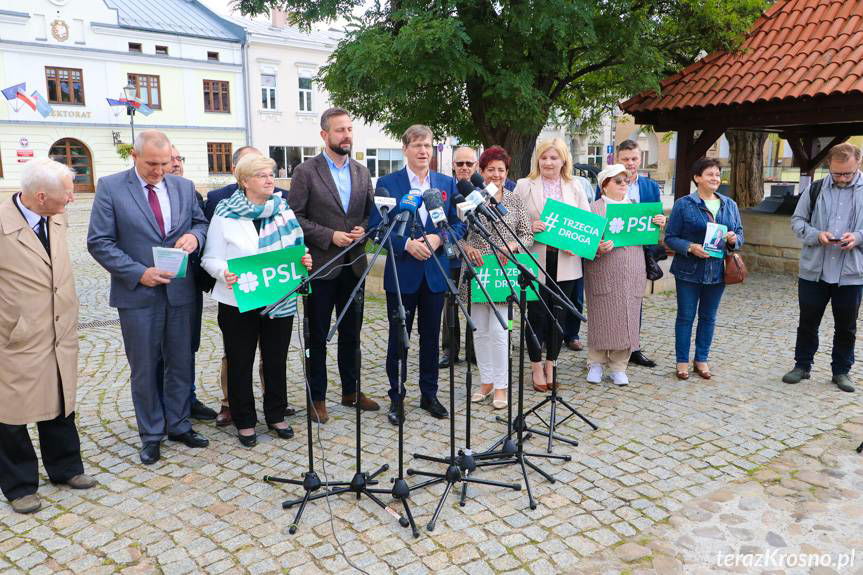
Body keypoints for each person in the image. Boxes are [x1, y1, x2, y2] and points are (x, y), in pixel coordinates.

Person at [88, 130, 210, 465]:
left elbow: (201, 224)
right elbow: (99, 242)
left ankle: (180, 424)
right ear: (135, 157)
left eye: (165, 163)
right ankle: (152, 433)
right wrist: (139, 272)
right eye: (152, 164)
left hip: (180, 292)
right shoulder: (111, 188)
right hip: (138, 293)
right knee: (144, 366)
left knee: (181, 361)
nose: (159, 171)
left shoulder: (184, 187)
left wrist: (194, 238)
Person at [0, 159, 96, 514]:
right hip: (15, 334)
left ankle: (66, 468)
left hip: (58, 327)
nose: (72, 200)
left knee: (59, 399)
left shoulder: (55, 215)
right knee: (10, 413)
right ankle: (19, 485)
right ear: (41, 196)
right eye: (66, 195)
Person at [202, 154, 312, 446]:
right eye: (262, 175)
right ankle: (245, 420)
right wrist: (223, 272)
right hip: (237, 300)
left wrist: (304, 259)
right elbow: (210, 257)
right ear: (245, 181)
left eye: (271, 174)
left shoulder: (283, 209)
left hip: (279, 298)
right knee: (240, 361)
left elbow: (297, 248)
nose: (269, 179)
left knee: (275, 360)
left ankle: (276, 414)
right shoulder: (225, 212)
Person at [289, 107, 379, 424]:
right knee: (317, 335)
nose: (347, 135)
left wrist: (362, 230)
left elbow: (370, 214)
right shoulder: (306, 171)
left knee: (351, 333)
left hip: (354, 265)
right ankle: (317, 397)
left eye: (350, 129)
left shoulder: (361, 171)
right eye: (340, 130)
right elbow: (295, 217)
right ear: (324, 135)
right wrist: (330, 235)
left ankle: (351, 391)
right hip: (321, 265)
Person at [369, 124, 463, 425]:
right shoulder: (388, 183)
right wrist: (406, 244)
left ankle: (429, 394)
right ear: (405, 149)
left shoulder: (446, 182)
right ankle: (396, 397)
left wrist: (438, 239)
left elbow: (459, 225)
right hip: (402, 274)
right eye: (417, 145)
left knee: (431, 338)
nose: (423, 151)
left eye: (428, 146)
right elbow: (376, 227)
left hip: (435, 273)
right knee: (399, 337)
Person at [784, 143, 863, 393]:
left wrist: (858, 238)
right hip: (814, 271)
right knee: (807, 322)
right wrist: (817, 235)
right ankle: (802, 365)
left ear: (858, 164)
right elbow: (797, 222)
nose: (842, 178)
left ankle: (841, 371)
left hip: (850, 273)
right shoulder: (816, 189)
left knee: (846, 326)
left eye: (847, 173)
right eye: (837, 173)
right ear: (829, 165)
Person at [515, 138, 591, 392]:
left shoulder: (575, 186)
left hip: (567, 261)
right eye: (544, 157)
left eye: (554, 158)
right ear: (537, 159)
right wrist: (530, 227)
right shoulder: (525, 185)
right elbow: (510, 221)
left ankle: (552, 364)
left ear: (563, 161)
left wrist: (577, 243)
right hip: (536, 259)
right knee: (535, 316)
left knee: (559, 316)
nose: (548, 162)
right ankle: (536, 366)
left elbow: (587, 225)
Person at [460, 146, 532, 408]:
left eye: (501, 170)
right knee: (479, 331)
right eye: (491, 169)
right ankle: (486, 382)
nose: (496, 174)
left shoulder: (513, 200)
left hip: (503, 272)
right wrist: (466, 248)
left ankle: (502, 386)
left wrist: (511, 247)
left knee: (500, 331)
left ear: (507, 172)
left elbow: (526, 234)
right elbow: (457, 233)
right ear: (482, 172)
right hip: (478, 272)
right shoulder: (471, 200)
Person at [665, 157, 744, 380]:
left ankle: (701, 359)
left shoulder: (730, 205)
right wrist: (690, 247)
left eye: (718, 174)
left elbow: (739, 234)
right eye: (709, 174)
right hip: (688, 270)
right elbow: (670, 237)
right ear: (697, 177)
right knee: (685, 316)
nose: (715, 178)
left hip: (717, 271)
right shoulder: (684, 204)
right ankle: (681, 361)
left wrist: (732, 239)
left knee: (708, 317)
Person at [583, 165, 662, 386]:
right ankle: (596, 362)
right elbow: (582, 244)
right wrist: (597, 247)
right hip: (602, 270)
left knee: (628, 316)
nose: (623, 184)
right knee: (601, 316)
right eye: (617, 181)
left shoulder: (637, 208)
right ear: (604, 186)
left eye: (625, 180)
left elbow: (649, 238)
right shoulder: (593, 209)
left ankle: (619, 365)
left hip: (631, 269)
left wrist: (658, 223)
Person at [168, 146, 218, 421]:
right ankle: (164, 407)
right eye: (170, 160)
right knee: (160, 351)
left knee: (188, 345)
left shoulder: (191, 193)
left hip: (188, 283)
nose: (176, 163)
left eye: (179, 158)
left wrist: (196, 237)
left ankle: (188, 397)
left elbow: (204, 227)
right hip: (156, 282)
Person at [440, 145, 479, 369]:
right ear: (453, 165)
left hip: (478, 257)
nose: (464, 168)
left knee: (476, 303)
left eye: (469, 164)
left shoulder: (481, 191)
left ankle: (474, 350)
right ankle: (450, 350)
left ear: (476, 165)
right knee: (450, 303)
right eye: (459, 164)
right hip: (452, 255)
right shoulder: (445, 189)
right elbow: (441, 224)